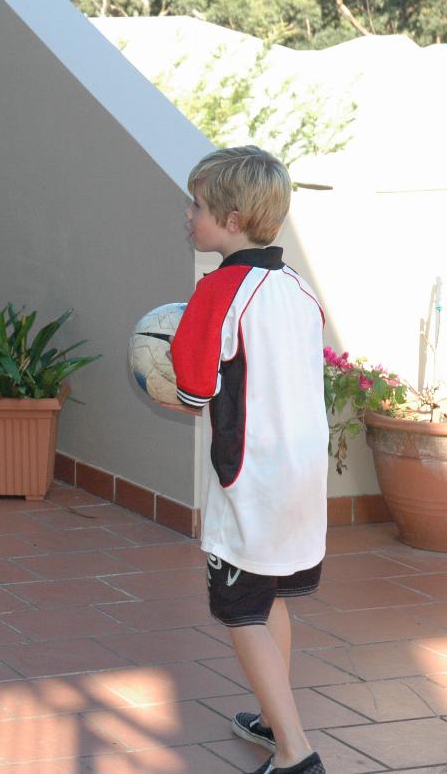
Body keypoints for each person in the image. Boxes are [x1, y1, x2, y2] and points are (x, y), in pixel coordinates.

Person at [168, 147, 328, 774]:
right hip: (303, 475)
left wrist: (167, 351)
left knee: (239, 609)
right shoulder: (297, 288)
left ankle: (294, 753)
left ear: (232, 220)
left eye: (198, 206)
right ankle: (272, 715)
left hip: (249, 479)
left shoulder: (220, 288)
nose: (188, 216)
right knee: (272, 594)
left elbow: (191, 389)